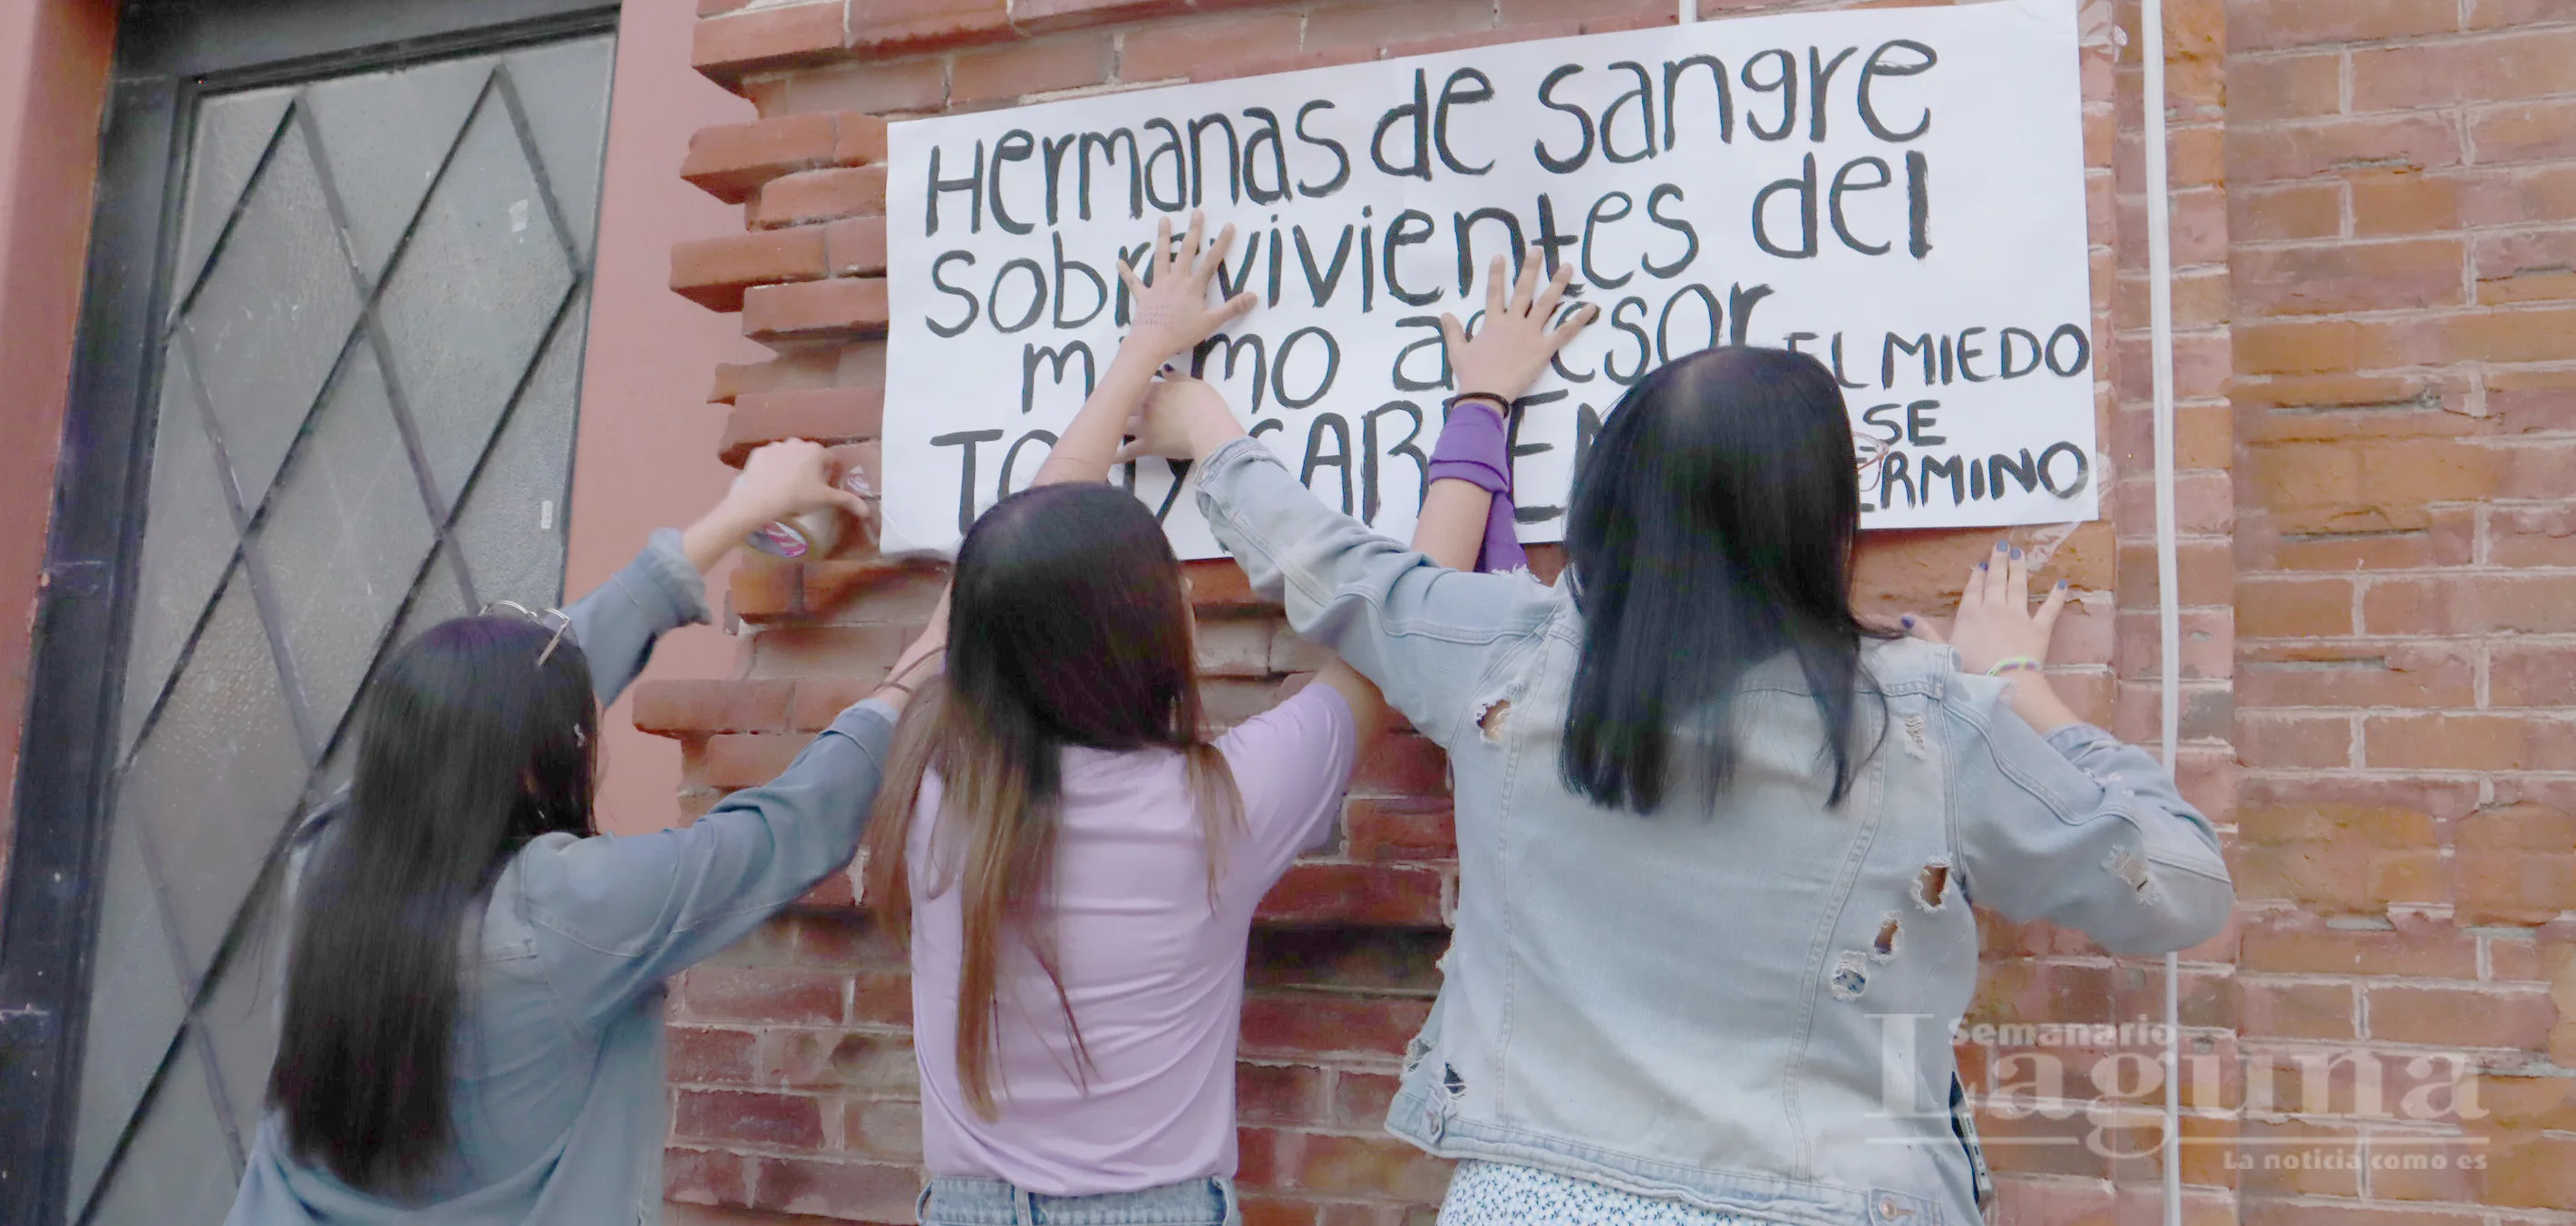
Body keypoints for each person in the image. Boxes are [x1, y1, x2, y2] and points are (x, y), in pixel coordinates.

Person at [1119, 256, 2237, 1226]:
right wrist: (2019, 683)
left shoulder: (1506, 655)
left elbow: (1341, 568)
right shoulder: (1926, 722)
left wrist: (1209, 431)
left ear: (1612, 498)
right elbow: (2178, 883)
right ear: (1821, 520)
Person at [227, 441, 948, 1226]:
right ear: (530, 766)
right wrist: (926, 661)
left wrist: (733, 518)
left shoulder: (326, 856)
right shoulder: (564, 908)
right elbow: (787, 828)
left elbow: (507, 697)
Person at [860, 212, 1416, 1226]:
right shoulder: (1223, 798)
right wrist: (1472, 415)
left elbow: (1004, 565)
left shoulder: (922, 769)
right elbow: (1402, 627)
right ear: (1157, 631)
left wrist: (1139, 352)